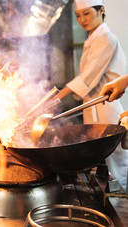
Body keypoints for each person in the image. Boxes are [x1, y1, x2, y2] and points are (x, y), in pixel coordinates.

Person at [51, 0, 128, 191]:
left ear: (101, 10)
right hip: (95, 108)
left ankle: (121, 209)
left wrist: (56, 98)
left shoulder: (106, 38)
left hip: (107, 110)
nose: (82, 20)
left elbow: (87, 78)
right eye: (78, 15)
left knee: (114, 166)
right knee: (104, 167)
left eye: (87, 13)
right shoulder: (92, 38)